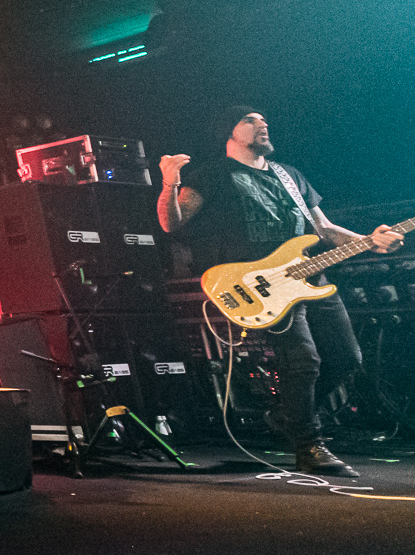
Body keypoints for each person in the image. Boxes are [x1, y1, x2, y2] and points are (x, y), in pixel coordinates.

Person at [157, 106, 401, 477]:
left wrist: (370, 240)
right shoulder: (213, 175)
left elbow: (323, 228)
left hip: (311, 277)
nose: (263, 124)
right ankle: (309, 446)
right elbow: (170, 223)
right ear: (228, 131)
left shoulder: (290, 174)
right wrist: (169, 184)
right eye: (250, 120)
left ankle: (287, 413)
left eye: (263, 120)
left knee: (347, 357)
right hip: (264, 286)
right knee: (303, 360)